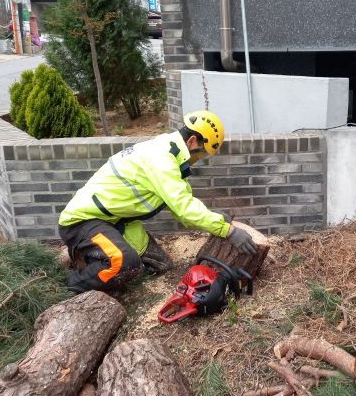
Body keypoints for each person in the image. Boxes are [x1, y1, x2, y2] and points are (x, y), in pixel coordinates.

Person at [57, 110, 257, 293]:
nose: (200, 159)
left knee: (161, 265)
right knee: (125, 263)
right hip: (83, 222)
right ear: (192, 141)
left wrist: (213, 217)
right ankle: (71, 284)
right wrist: (228, 231)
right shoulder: (162, 160)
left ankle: (94, 259)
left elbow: (181, 206)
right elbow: (185, 208)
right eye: (203, 153)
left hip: (115, 221)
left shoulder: (170, 152)